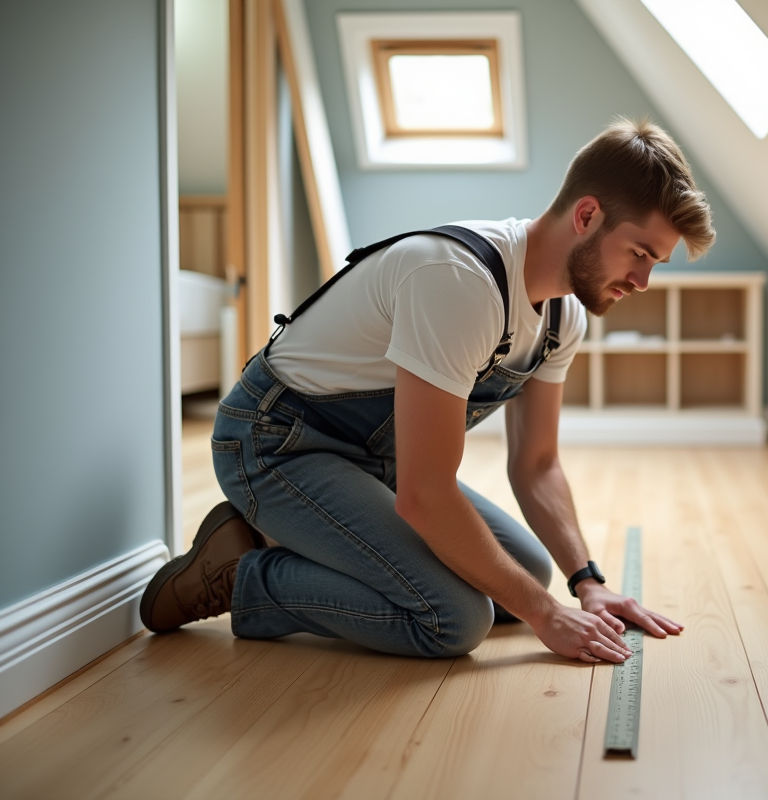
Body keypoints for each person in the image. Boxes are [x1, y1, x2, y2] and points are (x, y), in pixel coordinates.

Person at [140, 118, 715, 664]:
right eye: (640, 253)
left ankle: (313, 537)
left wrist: (586, 585)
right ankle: (245, 571)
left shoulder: (565, 317)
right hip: (274, 443)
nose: (642, 281)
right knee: (455, 618)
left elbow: (537, 465)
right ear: (587, 215)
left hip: (372, 462)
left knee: (527, 570)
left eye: (655, 264)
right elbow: (425, 493)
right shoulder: (461, 282)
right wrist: (546, 617)